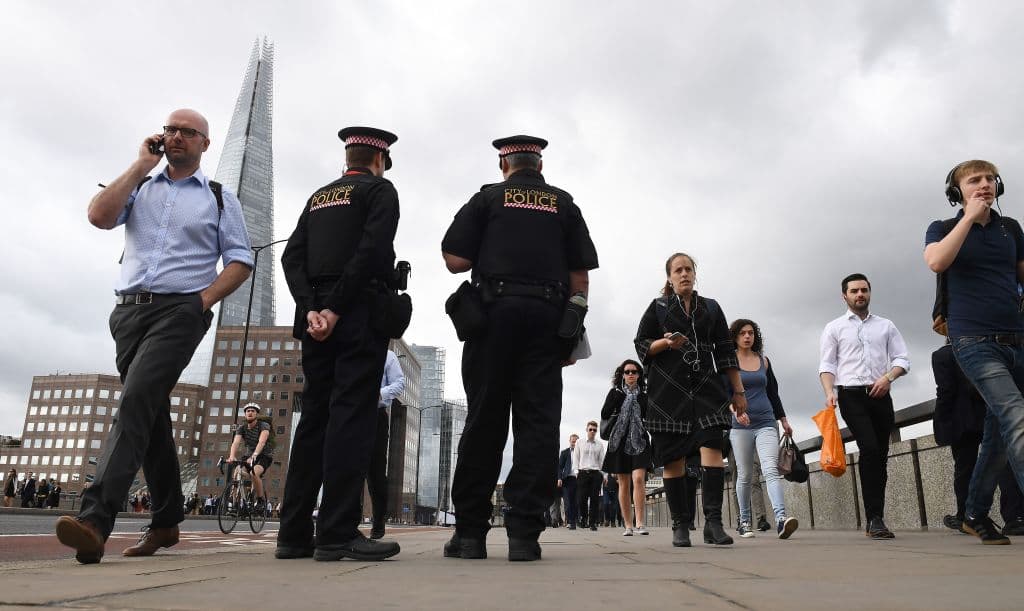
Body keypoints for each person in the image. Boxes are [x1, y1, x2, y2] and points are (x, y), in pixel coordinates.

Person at [56, 109, 253, 564]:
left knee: (135, 399)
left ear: (205, 143)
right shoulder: (140, 184)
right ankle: (166, 521)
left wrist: (200, 303)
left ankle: (94, 520)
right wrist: (140, 165)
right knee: (151, 412)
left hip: (179, 312)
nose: (177, 137)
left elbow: (241, 260)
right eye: (171, 130)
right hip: (128, 314)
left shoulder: (221, 199)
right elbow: (99, 217)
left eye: (188, 132)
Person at [442, 135, 599, 561]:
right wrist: (569, 332)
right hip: (546, 324)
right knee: (538, 426)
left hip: (492, 320)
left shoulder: (488, 199)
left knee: (483, 423)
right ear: (540, 166)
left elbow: (454, 259)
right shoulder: (563, 203)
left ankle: (470, 535)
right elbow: (580, 281)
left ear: (504, 165)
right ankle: (524, 537)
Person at [277, 126, 402, 562]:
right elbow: (370, 252)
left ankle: (292, 534)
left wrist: (312, 308)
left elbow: (291, 257)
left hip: (313, 323)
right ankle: (337, 533)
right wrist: (336, 308)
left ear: (346, 158)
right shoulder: (380, 192)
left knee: (313, 420)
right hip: (355, 316)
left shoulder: (318, 198)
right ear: (379, 160)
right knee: (351, 418)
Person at [925, 160, 1024, 545]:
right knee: (1017, 416)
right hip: (973, 342)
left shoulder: (1010, 228)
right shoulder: (945, 227)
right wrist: (968, 218)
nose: (984, 185)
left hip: (1016, 339)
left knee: (999, 433)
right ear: (957, 192)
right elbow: (936, 261)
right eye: (973, 181)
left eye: (989, 179)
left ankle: (974, 512)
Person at [635, 252, 746, 548]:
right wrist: (666, 343)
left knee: (712, 446)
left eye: (688, 269)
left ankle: (713, 523)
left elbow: (725, 351)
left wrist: (737, 392)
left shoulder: (711, 307)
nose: (684, 274)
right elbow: (641, 344)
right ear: (669, 277)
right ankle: (680, 525)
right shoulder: (658, 307)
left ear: (695, 274)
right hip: (667, 390)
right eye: (678, 270)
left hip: (707, 387)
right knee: (673, 457)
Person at [819, 273, 909, 539]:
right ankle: (875, 518)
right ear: (844, 296)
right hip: (850, 395)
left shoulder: (886, 326)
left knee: (879, 455)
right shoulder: (834, 328)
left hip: (881, 393)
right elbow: (827, 364)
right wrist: (829, 392)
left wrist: (888, 377)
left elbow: (902, 359)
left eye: (864, 290)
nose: (860, 295)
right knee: (868, 448)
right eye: (854, 291)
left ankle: (876, 516)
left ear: (870, 293)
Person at [933, 342, 1024, 536]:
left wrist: (941, 424)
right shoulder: (996, 349)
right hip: (991, 412)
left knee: (964, 468)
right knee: (1003, 463)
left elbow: (945, 391)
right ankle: (1014, 516)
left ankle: (965, 515)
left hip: (962, 421)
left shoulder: (942, 355)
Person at [727, 319, 798, 539]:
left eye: (751, 333)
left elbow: (773, 393)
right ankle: (745, 520)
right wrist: (736, 411)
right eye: (742, 333)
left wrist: (783, 419)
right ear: (735, 337)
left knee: (770, 469)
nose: (747, 337)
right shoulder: (729, 362)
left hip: (766, 422)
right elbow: (724, 393)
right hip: (741, 426)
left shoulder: (763, 361)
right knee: (746, 474)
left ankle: (780, 519)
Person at [600, 359, 653, 536]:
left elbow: (650, 417)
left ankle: (640, 523)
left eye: (634, 371)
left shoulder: (644, 395)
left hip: (640, 440)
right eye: (627, 372)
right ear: (622, 375)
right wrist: (617, 402)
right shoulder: (615, 393)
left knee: (638, 479)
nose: (631, 375)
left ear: (639, 375)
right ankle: (628, 525)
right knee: (623, 482)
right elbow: (604, 413)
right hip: (619, 440)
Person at [368, 349, 406, 539]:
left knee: (375, 471)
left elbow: (400, 383)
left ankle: (378, 521)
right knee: (346, 468)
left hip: (375, 416)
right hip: (348, 414)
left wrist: (379, 393)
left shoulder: (387, 355)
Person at [228, 403, 273, 504]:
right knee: (237, 472)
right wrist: (232, 456)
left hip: (264, 455)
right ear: (245, 415)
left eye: (253, 411)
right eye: (248, 411)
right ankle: (234, 501)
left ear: (256, 414)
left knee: (254, 473)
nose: (250, 413)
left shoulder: (263, 425)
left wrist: (254, 456)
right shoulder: (241, 428)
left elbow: (261, 442)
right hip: (248, 456)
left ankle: (261, 499)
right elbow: (235, 443)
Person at [574, 421, 606, 531]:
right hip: (583, 473)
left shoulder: (600, 444)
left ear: (596, 431)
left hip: (595, 473)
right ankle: (584, 518)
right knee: (581, 499)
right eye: (590, 429)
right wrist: (576, 472)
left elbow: (602, 461)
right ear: (586, 430)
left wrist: (604, 475)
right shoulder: (579, 442)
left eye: (594, 430)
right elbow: (576, 458)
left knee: (594, 499)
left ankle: (593, 522)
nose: (592, 431)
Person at [558, 434, 580, 530]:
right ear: (570, 441)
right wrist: (559, 478)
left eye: (576, 441)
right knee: (567, 502)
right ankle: (570, 521)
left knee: (576, 502)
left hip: (578, 479)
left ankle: (574, 521)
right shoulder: (564, 453)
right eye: (573, 441)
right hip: (567, 480)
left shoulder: (581, 452)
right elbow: (559, 467)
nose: (574, 443)